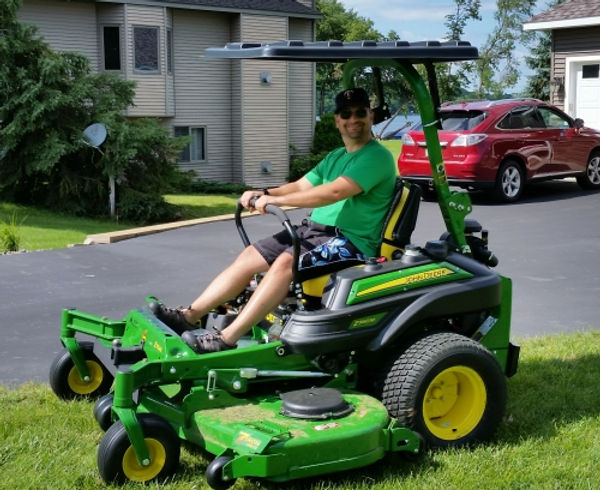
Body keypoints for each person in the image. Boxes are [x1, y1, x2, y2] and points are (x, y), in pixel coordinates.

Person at [152, 87, 397, 353]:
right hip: (315, 232)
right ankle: (188, 316)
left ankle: (225, 338)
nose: (354, 120)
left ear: (371, 116)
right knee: (249, 256)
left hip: (351, 242)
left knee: (284, 263)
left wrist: (275, 202)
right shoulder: (336, 156)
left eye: (360, 113)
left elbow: (335, 191)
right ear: (337, 120)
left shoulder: (377, 156)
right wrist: (266, 193)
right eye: (346, 114)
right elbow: (302, 186)